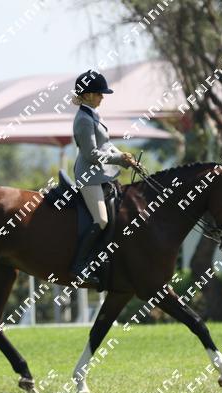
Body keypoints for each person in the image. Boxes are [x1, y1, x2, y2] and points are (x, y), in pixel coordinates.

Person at [70, 69, 140, 286]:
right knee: (101, 219)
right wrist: (119, 159)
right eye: (99, 93)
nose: (102, 97)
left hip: (102, 174)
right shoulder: (83, 119)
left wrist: (124, 157)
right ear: (88, 95)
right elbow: (91, 154)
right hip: (89, 177)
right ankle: (79, 265)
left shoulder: (93, 114)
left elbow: (106, 145)